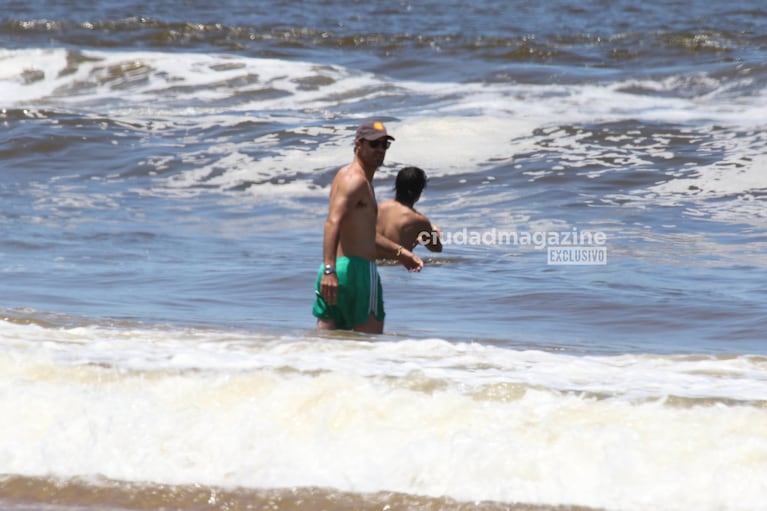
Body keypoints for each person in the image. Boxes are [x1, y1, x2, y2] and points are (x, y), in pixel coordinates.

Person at [312, 120, 423, 334]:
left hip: (339, 269)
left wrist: (401, 253)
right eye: (374, 144)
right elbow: (332, 222)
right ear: (358, 144)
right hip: (357, 272)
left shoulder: (347, 177)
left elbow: (366, 236)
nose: (380, 150)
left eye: (385, 145)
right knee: (369, 347)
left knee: (326, 344)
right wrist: (329, 269)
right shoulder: (357, 181)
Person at [376, 166, 442, 259]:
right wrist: (435, 233)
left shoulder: (378, 208)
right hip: (397, 266)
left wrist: (416, 241)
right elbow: (436, 248)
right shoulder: (418, 220)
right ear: (419, 191)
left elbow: (388, 243)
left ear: (396, 186)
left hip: (372, 263)